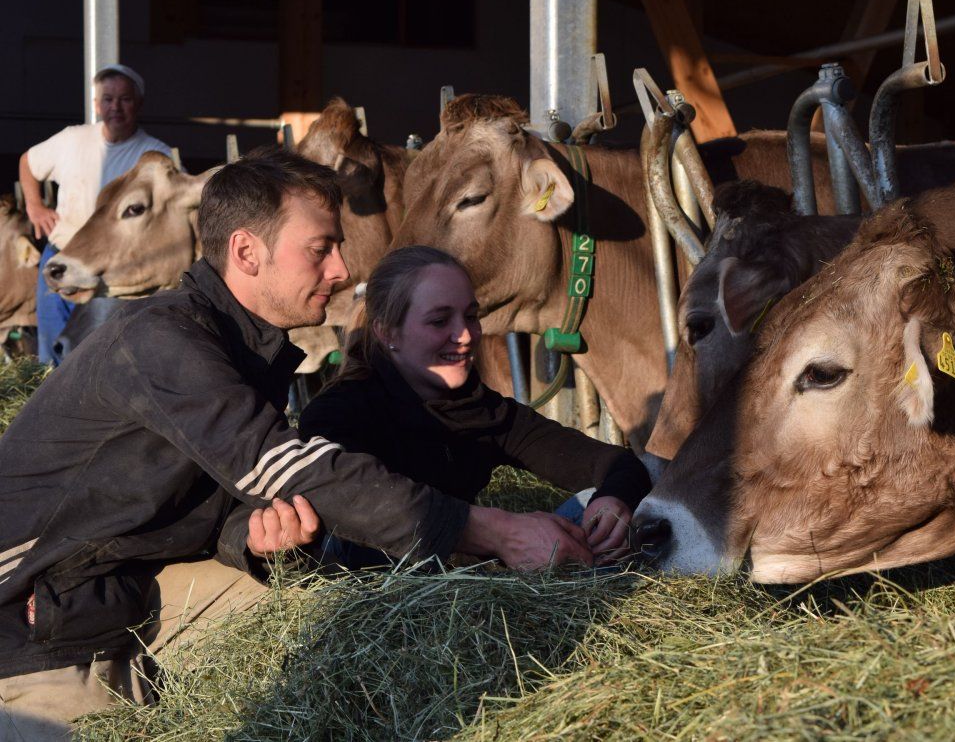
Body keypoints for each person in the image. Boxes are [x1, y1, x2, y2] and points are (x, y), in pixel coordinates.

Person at [0, 148, 597, 740]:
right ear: (246, 251)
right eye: (321, 249)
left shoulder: (248, 349)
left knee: (343, 631)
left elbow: (226, 501)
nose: (341, 270)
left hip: (127, 586)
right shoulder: (162, 341)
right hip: (37, 622)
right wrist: (497, 531)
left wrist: (260, 544)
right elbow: (288, 468)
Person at [298, 246, 652, 570]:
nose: (465, 335)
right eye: (439, 321)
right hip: (389, 607)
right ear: (388, 333)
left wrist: (613, 503)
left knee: (596, 506)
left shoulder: (481, 408)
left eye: (470, 316)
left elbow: (615, 464)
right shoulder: (338, 415)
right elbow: (357, 531)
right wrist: (495, 547)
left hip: (482, 592)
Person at [18, 63, 172, 363]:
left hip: (114, 269)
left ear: (138, 103)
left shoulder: (156, 155)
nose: (115, 107)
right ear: (96, 105)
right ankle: (50, 402)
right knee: (51, 347)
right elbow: (28, 161)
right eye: (108, 99)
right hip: (61, 254)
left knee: (98, 351)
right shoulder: (72, 139)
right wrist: (34, 206)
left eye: (125, 99)